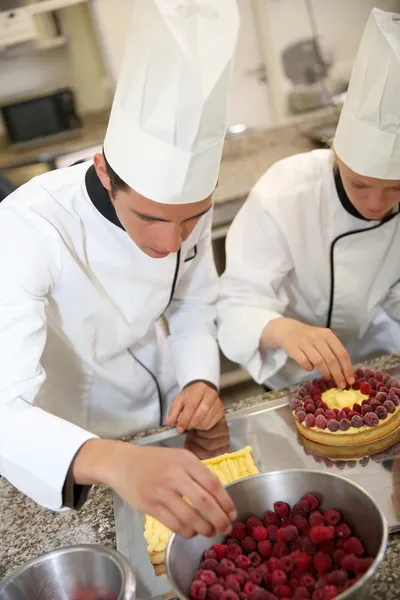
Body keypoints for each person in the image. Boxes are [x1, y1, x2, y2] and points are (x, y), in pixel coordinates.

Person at [0, 0, 240, 539]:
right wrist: (117, 462)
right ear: (104, 171)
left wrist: (199, 378)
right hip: (64, 443)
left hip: (160, 415)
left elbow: (193, 300)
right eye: (151, 217)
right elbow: (2, 409)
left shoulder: (183, 212)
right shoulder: (26, 228)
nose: (168, 241)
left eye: (191, 221)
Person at [218, 8, 400, 392]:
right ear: (335, 154)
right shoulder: (285, 193)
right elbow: (234, 307)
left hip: (380, 357)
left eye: (396, 190)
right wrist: (284, 329)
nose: (375, 203)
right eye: (359, 184)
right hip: (295, 373)